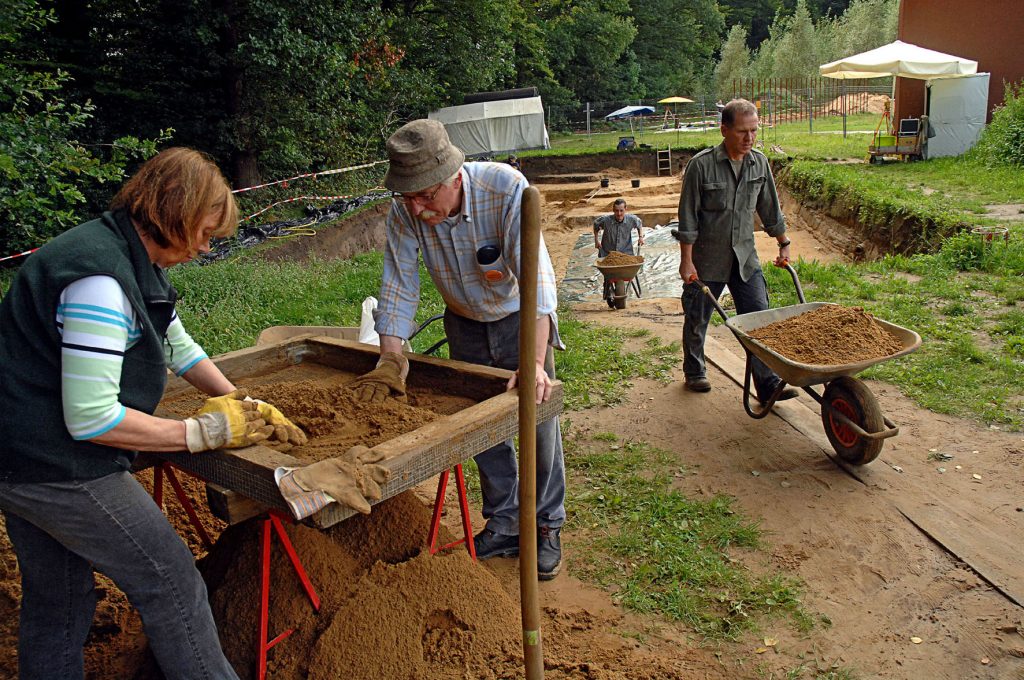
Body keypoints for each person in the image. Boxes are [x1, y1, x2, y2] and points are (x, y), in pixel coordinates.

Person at [0, 147, 309, 680]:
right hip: (51, 464)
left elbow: (175, 343)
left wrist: (241, 400)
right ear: (176, 216)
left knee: (61, 596)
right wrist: (206, 431)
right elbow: (92, 419)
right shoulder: (99, 282)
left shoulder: (123, 250)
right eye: (206, 234)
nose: (207, 247)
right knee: (170, 579)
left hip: (17, 452)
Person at [350, 119, 566, 580]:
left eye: (426, 195)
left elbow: (538, 283)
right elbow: (399, 285)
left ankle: (546, 524)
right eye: (408, 196)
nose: (418, 206)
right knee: (479, 429)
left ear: (454, 177)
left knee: (537, 420)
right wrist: (390, 360)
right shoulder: (407, 211)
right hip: (464, 324)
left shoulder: (506, 189)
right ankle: (506, 520)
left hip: (520, 320)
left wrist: (531, 363)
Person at [674, 99, 799, 404]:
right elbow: (688, 218)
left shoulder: (759, 163)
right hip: (707, 260)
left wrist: (783, 241)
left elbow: (770, 208)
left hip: (745, 259)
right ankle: (694, 370)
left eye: (754, 131)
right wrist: (686, 261)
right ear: (724, 130)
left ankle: (767, 384)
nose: (749, 138)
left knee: (759, 320)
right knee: (697, 317)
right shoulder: (701, 166)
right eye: (742, 131)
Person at [593, 199, 644, 307]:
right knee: (609, 276)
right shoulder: (606, 220)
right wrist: (596, 240)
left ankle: (614, 290)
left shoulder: (631, 219)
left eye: (621, 210)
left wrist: (640, 237)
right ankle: (609, 289)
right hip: (608, 254)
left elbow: (639, 224)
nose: (619, 214)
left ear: (626, 209)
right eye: (616, 211)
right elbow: (596, 225)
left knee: (617, 274)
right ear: (613, 210)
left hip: (626, 254)